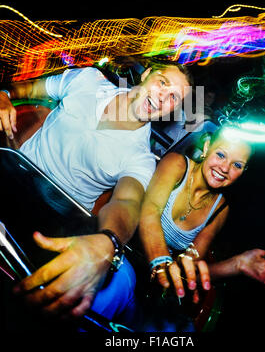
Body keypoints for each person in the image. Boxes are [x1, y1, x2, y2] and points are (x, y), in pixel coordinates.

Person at [0, 62, 193, 327]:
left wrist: (108, 241)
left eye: (174, 98)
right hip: (13, 175)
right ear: (146, 74)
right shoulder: (86, 80)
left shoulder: (141, 159)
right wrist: (4, 95)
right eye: (162, 83)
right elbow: (26, 87)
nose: (163, 97)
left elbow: (127, 202)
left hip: (56, 222)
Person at [138, 126, 265, 330]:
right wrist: (162, 261)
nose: (225, 168)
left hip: (155, 285)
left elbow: (189, 268)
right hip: (126, 257)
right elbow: (149, 211)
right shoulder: (177, 165)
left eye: (237, 165)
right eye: (221, 154)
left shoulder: (220, 210)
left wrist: (238, 264)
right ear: (207, 147)